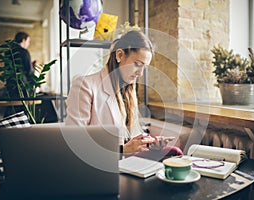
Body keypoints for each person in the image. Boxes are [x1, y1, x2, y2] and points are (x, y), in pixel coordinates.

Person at [65, 30, 182, 161]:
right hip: (102, 162)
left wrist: (148, 144)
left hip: (126, 161)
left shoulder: (128, 91)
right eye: (137, 64)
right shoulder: (85, 86)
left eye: (144, 67)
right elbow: (75, 144)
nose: (140, 73)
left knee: (174, 152)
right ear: (120, 55)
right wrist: (123, 150)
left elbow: (129, 139)